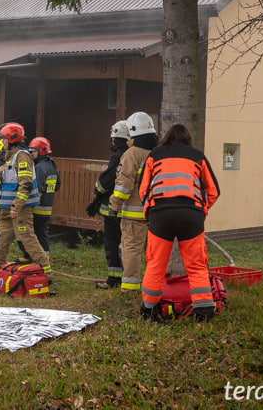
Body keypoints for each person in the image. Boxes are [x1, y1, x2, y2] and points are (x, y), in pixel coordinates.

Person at [139, 123, 221, 322]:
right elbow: (213, 191)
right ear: (188, 139)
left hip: (160, 215)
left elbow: (142, 190)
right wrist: (201, 210)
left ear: (166, 137)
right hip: (191, 215)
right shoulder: (198, 156)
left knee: (156, 264)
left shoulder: (154, 155)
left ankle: (149, 311)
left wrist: (151, 210)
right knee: (197, 266)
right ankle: (204, 313)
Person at [0, 122, 52, 282]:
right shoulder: (13, 156)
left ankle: (46, 273)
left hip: (19, 210)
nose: (1, 142)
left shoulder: (22, 156)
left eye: (3, 139)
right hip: (6, 210)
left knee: (28, 239)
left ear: (12, 139)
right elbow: (11, 173)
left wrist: (17, 206)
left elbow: (26, 184)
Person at [106, 112, 159, 292]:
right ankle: (151, 286)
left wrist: (113, 206)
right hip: (155, 214)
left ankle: (129, 290)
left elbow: (123, 185)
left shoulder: (132, 154)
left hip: (134, 215)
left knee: (130, 251)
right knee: (152, 253)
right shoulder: (157, 153)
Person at [89, 120, 131, 289]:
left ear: (116, 138)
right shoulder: (131, 154)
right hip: (128, 210)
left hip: (112, 208)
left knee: (112, 244)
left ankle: (114, 279)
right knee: (126, 245)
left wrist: (96, 194)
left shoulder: (118, 156)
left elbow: (105, 182)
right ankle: (124, 278)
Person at [17, 136, 60, 260]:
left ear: (41, 151)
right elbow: (57, 185)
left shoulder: (40, 168)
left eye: (34, 151)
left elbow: (38, 189)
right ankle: (43, 257)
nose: (32, 154)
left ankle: (34, 258)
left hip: (37, 207)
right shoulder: (52, 166)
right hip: (47, 206)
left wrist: (30, 204)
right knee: (42, 233)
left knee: (33, 234)